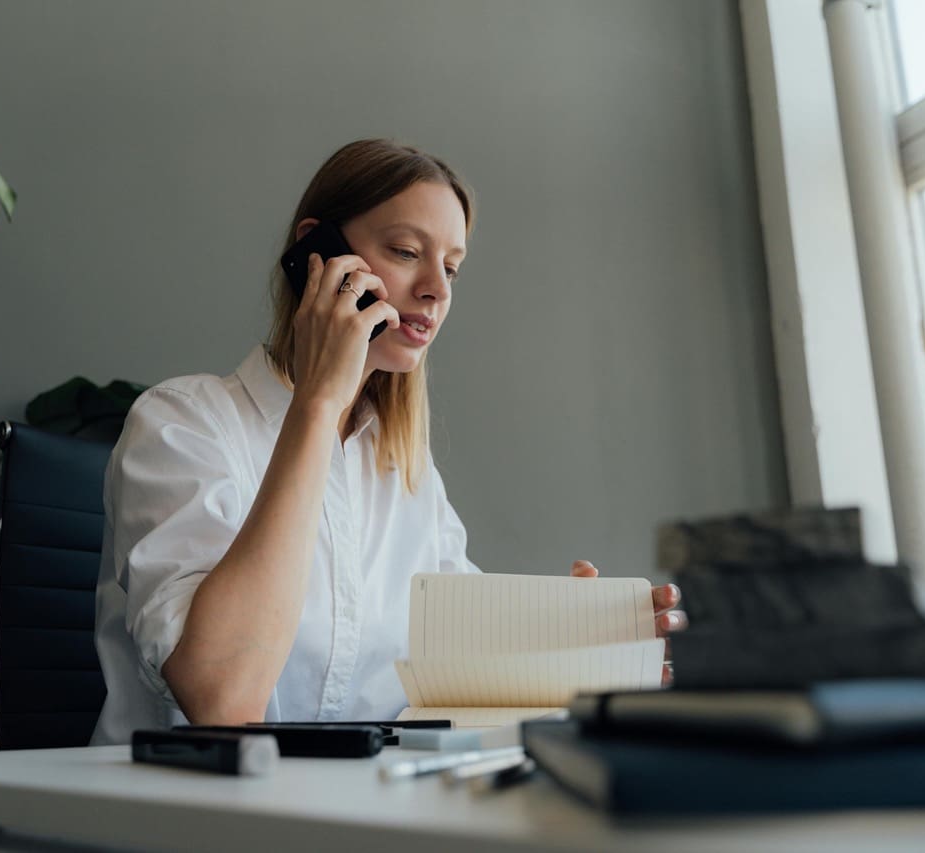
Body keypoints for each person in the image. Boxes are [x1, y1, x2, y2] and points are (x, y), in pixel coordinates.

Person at [90, 139, 685, 744]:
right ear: (315, 252)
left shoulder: (401, 467)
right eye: (406, 251)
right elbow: (223, 698)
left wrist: (584, 641)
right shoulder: (181, 424)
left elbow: (459, 665)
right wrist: (318, 404)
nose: (437, 289)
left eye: (451, 267)